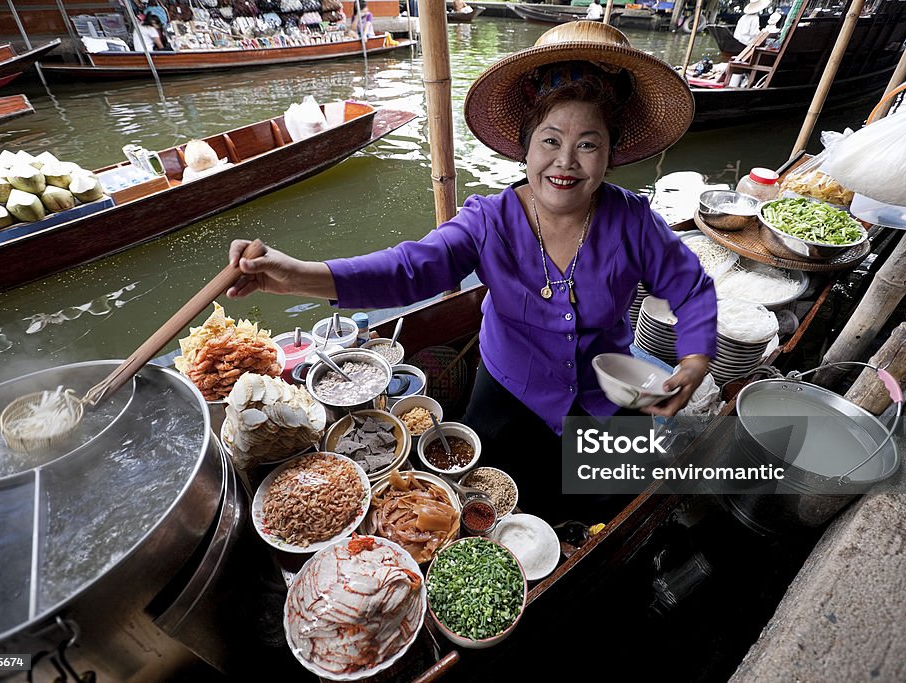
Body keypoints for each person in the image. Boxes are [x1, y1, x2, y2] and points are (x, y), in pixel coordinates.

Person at [227, 22, 716, 521]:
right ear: (525, 147)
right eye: (550, 140)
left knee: (602, 514)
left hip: (606, 394)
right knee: (492, 511)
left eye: (588, 144)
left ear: (610, 152)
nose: (565, 162)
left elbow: (693, 289)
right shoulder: (489, 220)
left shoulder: (632, 219)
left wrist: (695, 362)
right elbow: (409, 270)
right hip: (510, 391)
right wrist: (295, 275)